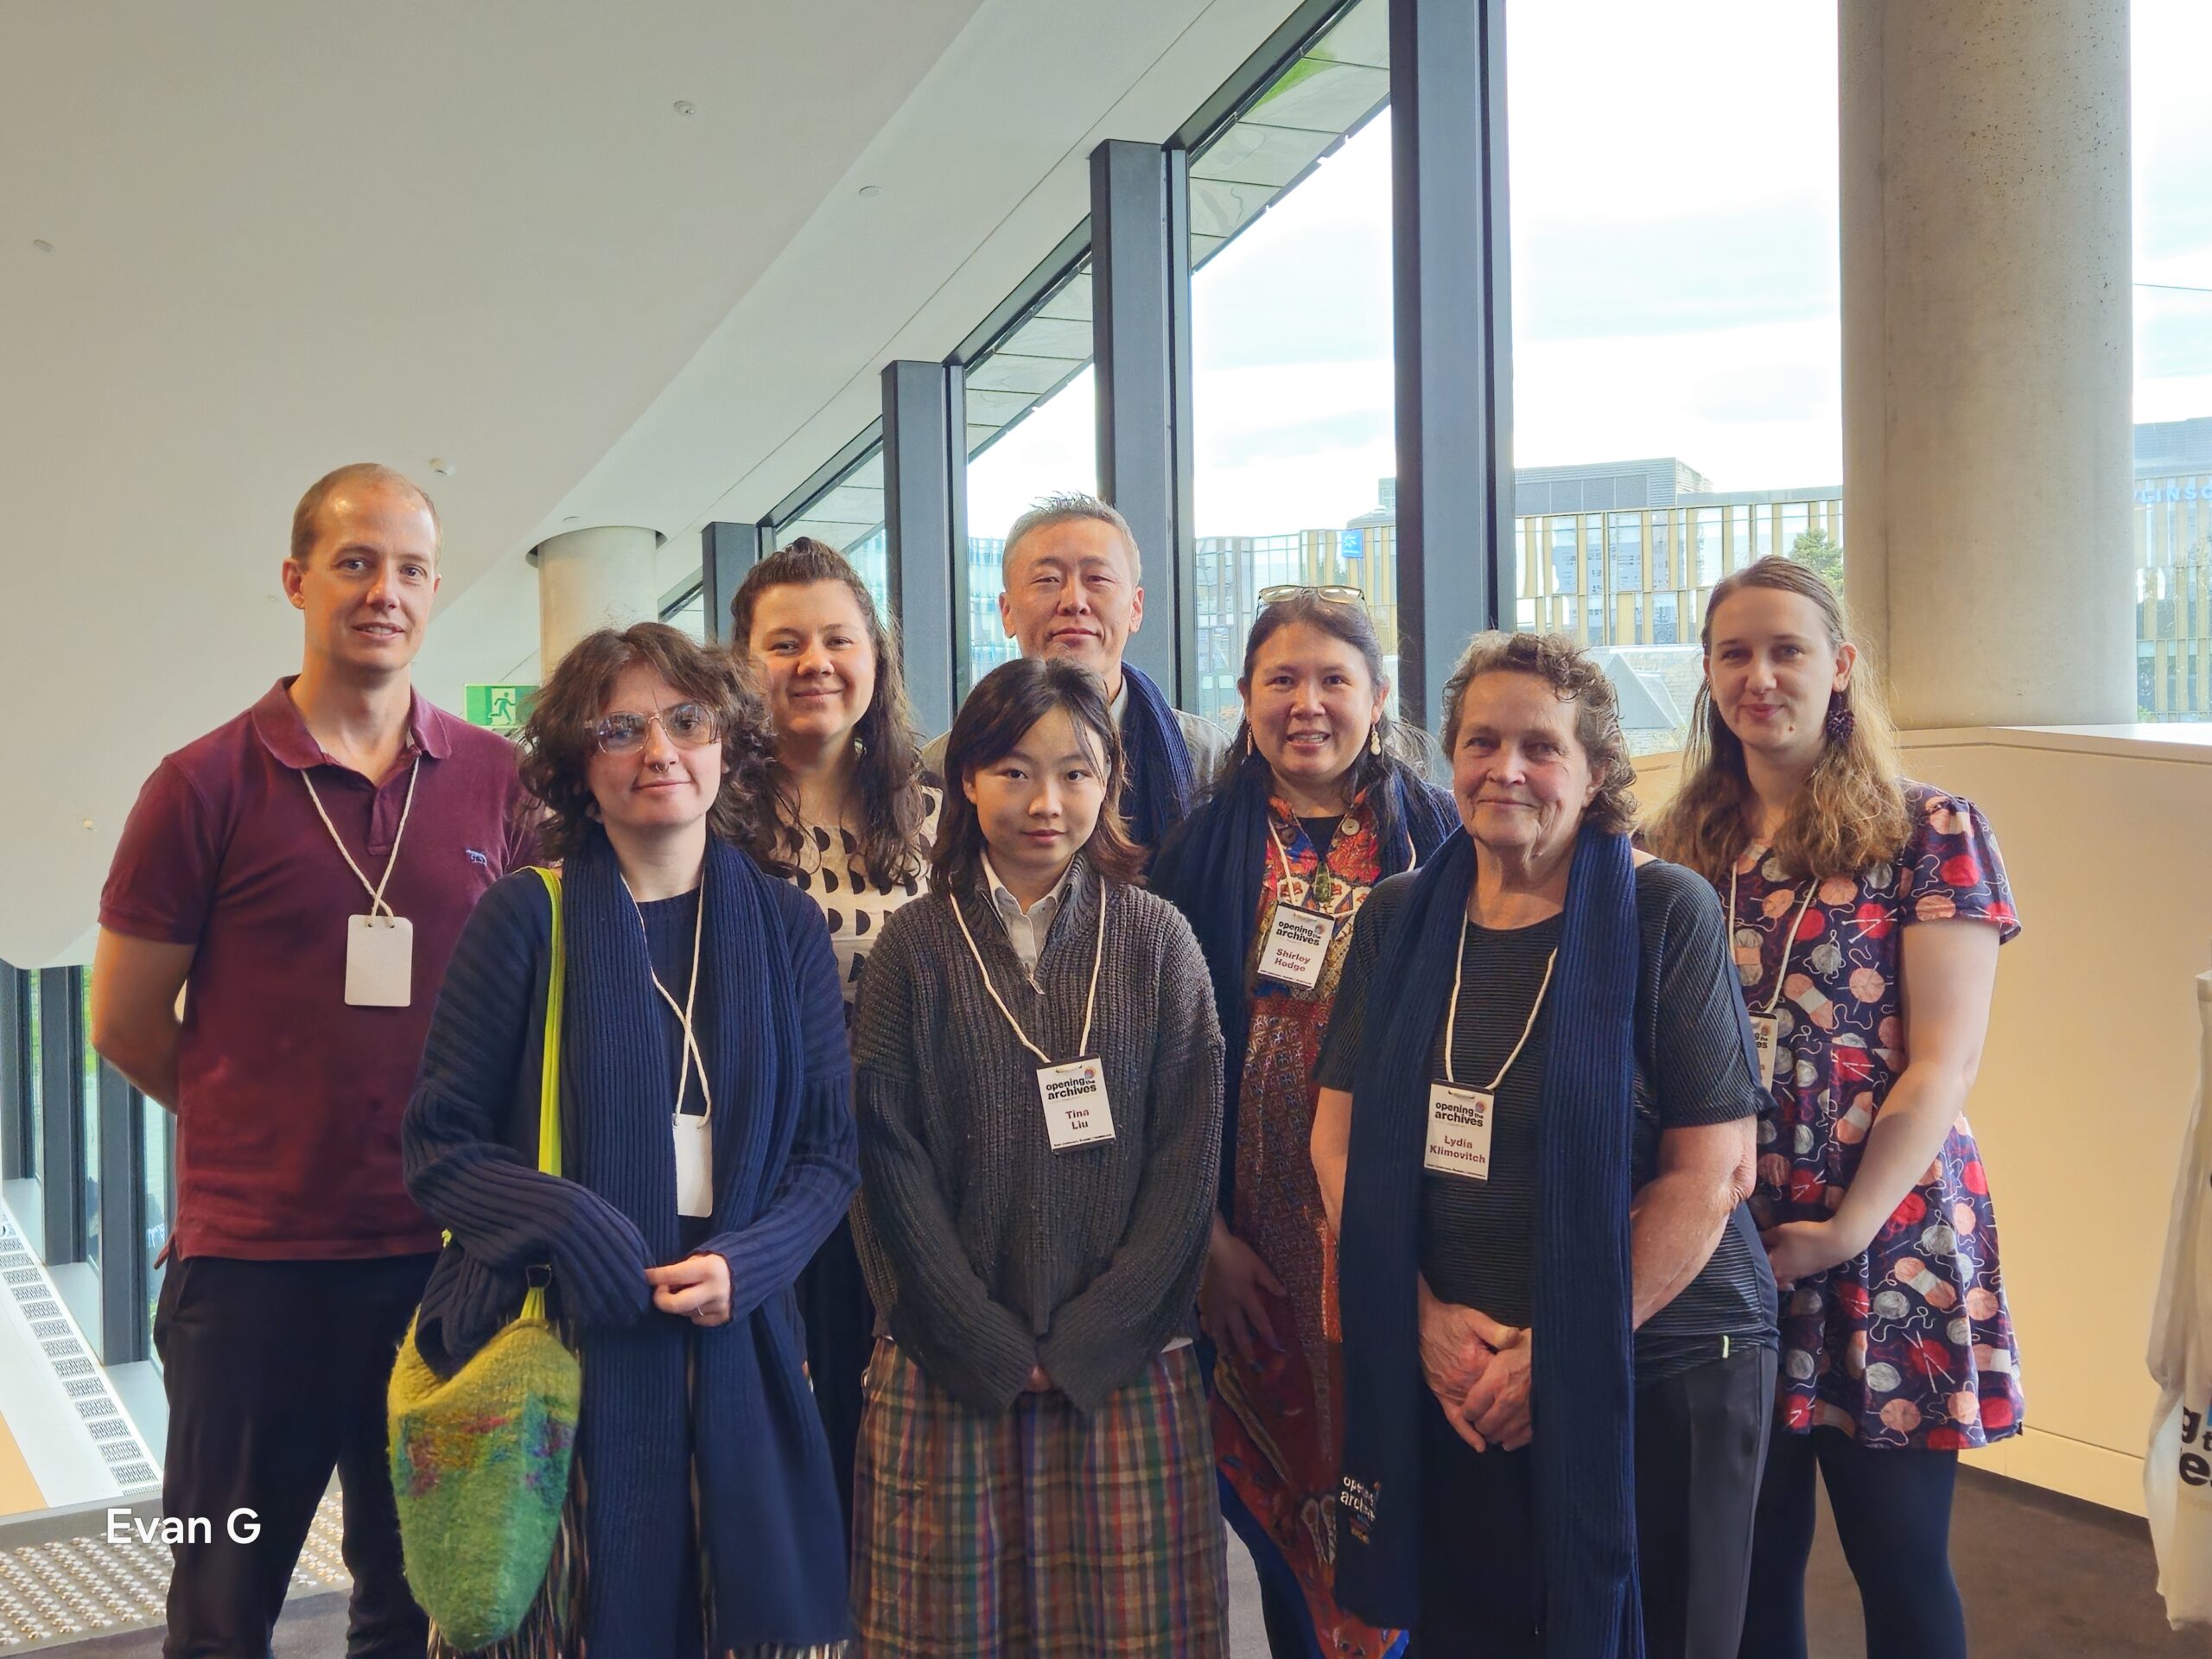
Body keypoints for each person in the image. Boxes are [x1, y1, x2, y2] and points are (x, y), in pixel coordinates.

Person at [91, 462, 533, 1659]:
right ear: (297, 580)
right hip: (255, 1279)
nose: (382, 590)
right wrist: (259, 1118)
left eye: (408, 569)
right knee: (224, 1608)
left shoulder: (499, 785)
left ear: (435, 591)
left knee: (418, 1603)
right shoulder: (200, 786)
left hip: (443, 1269)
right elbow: (124, 1021)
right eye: (354, 562)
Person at [1313, 631, 1778, 1659]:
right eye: (1481, 742)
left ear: (1598, 769)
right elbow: (1337, 1140)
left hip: (1657, 1360)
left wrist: (1564, 1352)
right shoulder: (1396, 917)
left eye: (1540, 746)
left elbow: (1711, 1173)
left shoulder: (1663, 911)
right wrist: (1425, 1318)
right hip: (1461, 1363)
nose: (1505, 770)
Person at [403, 623, 855, 1657]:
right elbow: (439, 1144)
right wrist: (570, 1224)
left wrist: (749, 1262)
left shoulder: (786, 926)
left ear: (727, 742)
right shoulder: (526, 917)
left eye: (687, 720)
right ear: (578, 766)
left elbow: (829, 1154)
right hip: (568, 1350)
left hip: (738, 1343)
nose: (661, 750)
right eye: (622, 728)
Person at [1643, 555, 2023, 1659]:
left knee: (1899, 1565)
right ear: (1708, 676)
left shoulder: (1929, 829)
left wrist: (1841, 1234)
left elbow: (1940, 1066)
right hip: (1725, 1243)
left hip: (1882, 1245)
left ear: (1840, 667)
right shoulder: (1673, 848)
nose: (1760, 676)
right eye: (1734, 653)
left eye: (1787, 649)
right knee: (1746, 1568)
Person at [849, 658, 1230, 1656]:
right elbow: (885, 1162)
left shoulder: (1159, 941)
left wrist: (1098, 1334)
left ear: (1110, 783)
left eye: (1074, 772)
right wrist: (979, 1338)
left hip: (1126, 1364)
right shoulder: (914, 948)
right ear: (965, 782)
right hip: (948, 1362)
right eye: (1012, 771)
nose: (1044, 802)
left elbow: (1188, 1160)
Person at [1151, 589, 1454, 1659]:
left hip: (1397, 1235)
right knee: (1281, 1511)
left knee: (1411, 1494)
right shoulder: (1194, 857)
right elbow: (1162, 1069)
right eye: (1281, 679)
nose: (1308, 704)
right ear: (1243, 699)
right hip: (1252, 1245)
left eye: (1335, 679)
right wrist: (1206, 1243)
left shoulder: (1443, 843)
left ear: (1378, 697)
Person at [728, 535, 939, 1533]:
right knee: (768, 1436)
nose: (814, 663)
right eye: (785, 643)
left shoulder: (937, 816)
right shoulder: (706, 817)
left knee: (883, 1435)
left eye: (837, 640)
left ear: (875, 658)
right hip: (755, 1177)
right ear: (740, 667)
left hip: (907, 1172)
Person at [921, 492, 1225, 854]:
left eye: (1097, 578)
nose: (1074, 602)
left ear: (1136, 608)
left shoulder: (1205, 759)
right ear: (1006, 612)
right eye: (1048, 580)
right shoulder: (943, 766)